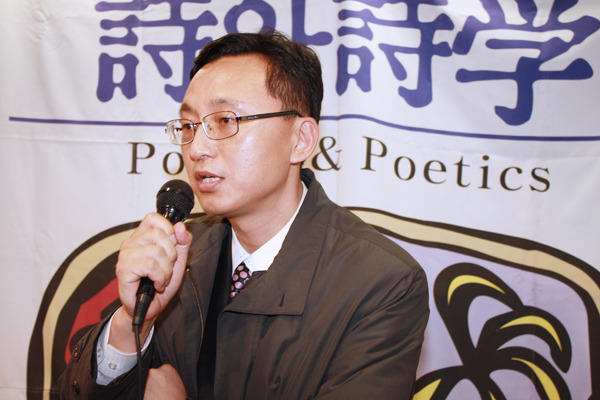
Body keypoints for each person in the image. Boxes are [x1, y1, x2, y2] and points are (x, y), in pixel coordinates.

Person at [58, 29, 429, 399]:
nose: (197, 148)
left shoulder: (381, 281)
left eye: (225, 121)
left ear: (300, 140)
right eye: (189, 126)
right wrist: (132, 323)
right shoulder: (177, 252)